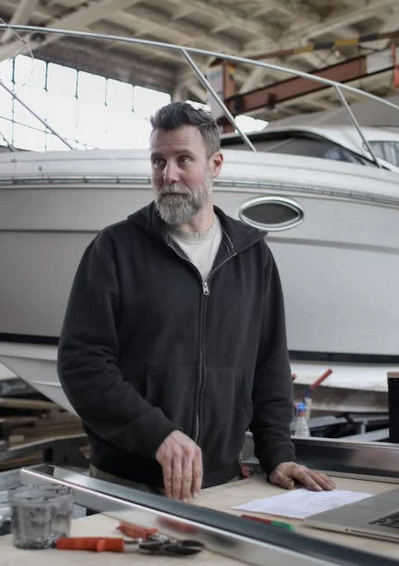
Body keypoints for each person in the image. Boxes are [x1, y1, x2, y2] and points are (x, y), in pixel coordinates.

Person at [57, 101, 335, 501]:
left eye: (183, 159)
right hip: (125, 483)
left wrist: (278, 455)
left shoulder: (253, 257)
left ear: (216, 165)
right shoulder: (114, 250)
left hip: (220, 485)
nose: (167, 175)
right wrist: (157, 434)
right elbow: (82, 366)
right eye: (158, 161)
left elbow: (269, 368)